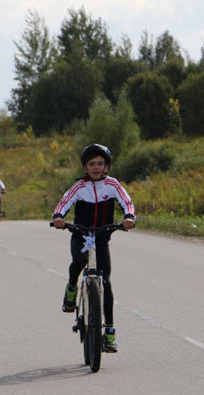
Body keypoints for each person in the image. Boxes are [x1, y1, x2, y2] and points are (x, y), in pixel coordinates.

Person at [52, 144, 135, 353]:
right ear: (85, 167)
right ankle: (71, 288)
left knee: (105, 282)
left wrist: (128, 218)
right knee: (79, 262)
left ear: (106, 166)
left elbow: (127, 202)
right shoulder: (80, 187)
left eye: (100, 163)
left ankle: (109, 333)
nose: (96, 167)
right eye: (91, 164)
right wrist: (59, 217)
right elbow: (63, 203)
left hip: (101, 238)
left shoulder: (113, 185)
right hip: (81, 235)